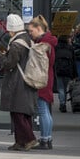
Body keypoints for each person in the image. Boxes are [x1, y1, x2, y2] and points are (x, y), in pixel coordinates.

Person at [0, 14, 39, 151]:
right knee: (22, 112)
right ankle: (20, 142)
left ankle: (29, 139)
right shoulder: (27, 39)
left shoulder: (16, 44)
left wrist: (0, 57)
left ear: (11, 29)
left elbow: (10, 63)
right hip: (27, 79)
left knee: (18, 113)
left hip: (18, 82)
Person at [27, 15, 57, 149]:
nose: (30, 34)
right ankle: (48, 138)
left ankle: (45, 140)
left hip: (41, 79)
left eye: (31, 31)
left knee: (43, 110)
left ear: (39, 28)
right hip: (47, 78)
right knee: (46, 110)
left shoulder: (43, 44)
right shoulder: (50, 41)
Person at [54, 34, 76, 112]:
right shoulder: (70, 48)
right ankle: (64, 103)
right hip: (68, 70)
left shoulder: (56, 48)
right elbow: (73, 61)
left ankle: (62, 103)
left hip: (59, 70)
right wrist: (74, 73)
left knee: (60, 88)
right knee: (65, 87)